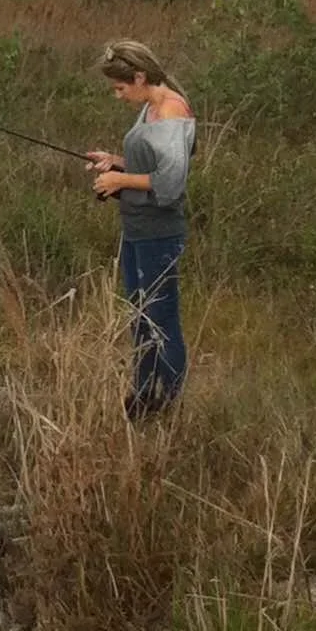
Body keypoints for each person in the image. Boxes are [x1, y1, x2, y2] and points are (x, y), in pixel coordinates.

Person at [86, 40, 195, 419]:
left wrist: (120, 181)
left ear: (139, 76)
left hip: (158, 232)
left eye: (120, 88)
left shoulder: (171, 111)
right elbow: (150, 162)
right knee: (140, 315)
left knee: (160, 316)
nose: (118, 96)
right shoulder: (150, 107)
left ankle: (171, 402)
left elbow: (171, 182)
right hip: (136, 227)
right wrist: (114, 161)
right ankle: (145, 392)